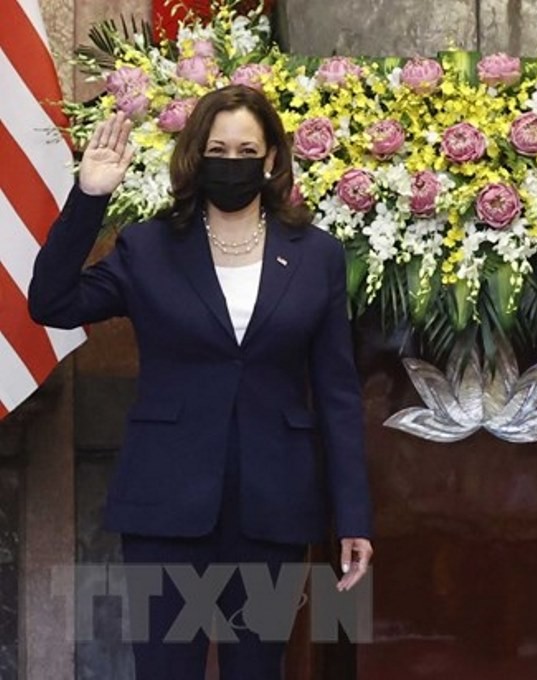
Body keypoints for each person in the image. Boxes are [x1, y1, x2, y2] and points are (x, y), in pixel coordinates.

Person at [28, 85, 373, 679]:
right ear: (194, 156)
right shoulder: (150, 246)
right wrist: (89, 198)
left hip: (273, 507)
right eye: (218, 148)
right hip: (166, 504)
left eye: (246, 150)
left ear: (270, 161)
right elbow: (51, 302)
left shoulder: (316, 255)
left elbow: (338, 395)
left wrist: (353, 518)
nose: (231, 162)